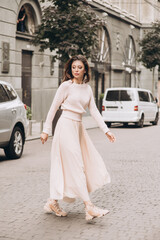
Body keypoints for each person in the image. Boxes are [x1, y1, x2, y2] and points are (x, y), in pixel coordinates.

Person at [41, 55, 116, 221]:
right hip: (66, 126)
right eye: (73, 67)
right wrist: (46, 130)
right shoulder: (66, 86)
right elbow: (53, 108)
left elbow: (94, 111)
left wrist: (106, 130)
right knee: (77, 165)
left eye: (79, 67)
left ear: (85, 70)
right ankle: (89, 207)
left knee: (78, 165)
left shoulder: (87, 89)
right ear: (70, 69)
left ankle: (52, 201)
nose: (76, 70)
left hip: (79, 128)